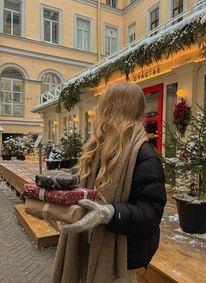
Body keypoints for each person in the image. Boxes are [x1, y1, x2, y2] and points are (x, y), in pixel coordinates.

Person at [51, 82, 166, 283]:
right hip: (85, 242)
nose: (100, 112)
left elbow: (152, 211)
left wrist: (111, 213)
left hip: (118, 257)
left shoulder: (145, 154)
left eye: (104, 106)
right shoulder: (97, 147)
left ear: (116, 108)